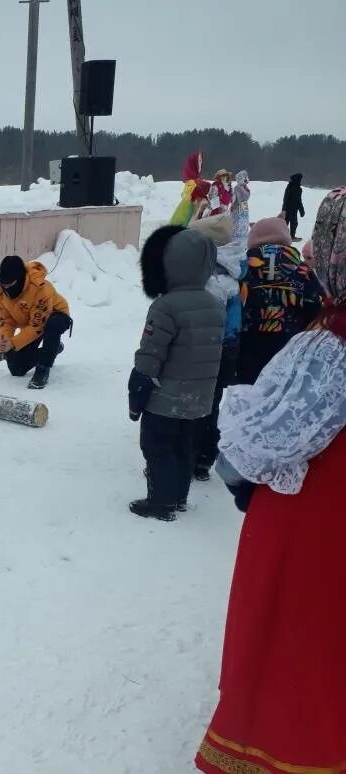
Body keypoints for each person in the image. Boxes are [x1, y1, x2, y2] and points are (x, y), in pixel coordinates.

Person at [195, 209, 345, 772]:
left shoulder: (330, 349)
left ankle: (286, 745)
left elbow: (264, 438)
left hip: (319, 517)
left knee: (300, 634)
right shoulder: (312, 307)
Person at [127, 226, 225, 521]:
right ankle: (179, 498)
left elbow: (150, 355)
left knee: (158, 448)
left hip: (165, 399)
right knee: (185, 448)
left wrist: (138, 390)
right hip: (200, 399)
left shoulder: (166, 306)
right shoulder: (216, 305)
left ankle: (161, 503)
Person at [194, 170, 251, 481]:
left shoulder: (208, 277)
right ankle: (204, 457)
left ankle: (193, 454)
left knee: (197, 400)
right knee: (214, 401)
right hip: (229, 344)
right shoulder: (236, 268)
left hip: (207, 346)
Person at [237, 216, 325, 385]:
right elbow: (314, 311)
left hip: (248, 349)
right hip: (290, 351)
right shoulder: (303, 271)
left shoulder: (242, 270)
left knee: (246, 401)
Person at [0, 255, 72, 389]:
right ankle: (53, 348)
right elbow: (6, 320)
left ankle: (44, 367)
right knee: (17, 368)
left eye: (9, 284)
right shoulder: (0, 289)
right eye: (3, 284)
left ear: (20, 279)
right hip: (31, 323)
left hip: (55, 316)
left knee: (52, 326)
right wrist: (5, 340)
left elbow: (38, 326)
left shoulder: (41, 288)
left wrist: (14, 342)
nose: (6, 287)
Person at [280, 172, 305, 241]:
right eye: (300, 179)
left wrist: (301, 210)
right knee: (287, 223)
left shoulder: (297, 188)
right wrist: (284, 209)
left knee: (292, 223)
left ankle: (289, 236)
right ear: (298, 179)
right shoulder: (291, 187)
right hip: (289, 209)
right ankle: (286, 236)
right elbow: (285, 198)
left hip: (293, 209)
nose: (301, 180)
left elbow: (298, 200)